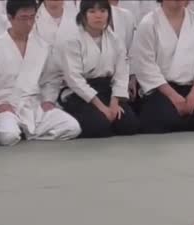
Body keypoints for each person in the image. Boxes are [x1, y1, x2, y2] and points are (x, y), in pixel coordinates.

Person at [0, 0, 81, 146]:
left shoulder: (42, 46)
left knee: (72, 127)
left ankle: (27, 132)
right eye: (24, 18)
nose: (29, 23)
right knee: (9, 137)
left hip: (34, 106)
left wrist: (48, 100)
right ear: (10, 18)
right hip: (6, 106)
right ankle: (22, 130)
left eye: (32, 17)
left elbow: (50, 79)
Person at [131, 0, 194, 133]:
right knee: (163, 120)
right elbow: (146, 65)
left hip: (192, 88)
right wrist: (174, 97)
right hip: (161, 90)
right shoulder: (148, 23)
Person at [58, 0, 139, 139]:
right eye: (92, 11)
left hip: (107, 90)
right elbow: (74, 79)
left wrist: (114, 103)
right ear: (83, 15)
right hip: (81, 95)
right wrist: (102, 108)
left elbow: (121, 73)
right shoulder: (72, 40)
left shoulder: (115, 39)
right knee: (99, 126)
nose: (98, 16)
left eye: (103, 11)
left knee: (129, 125)